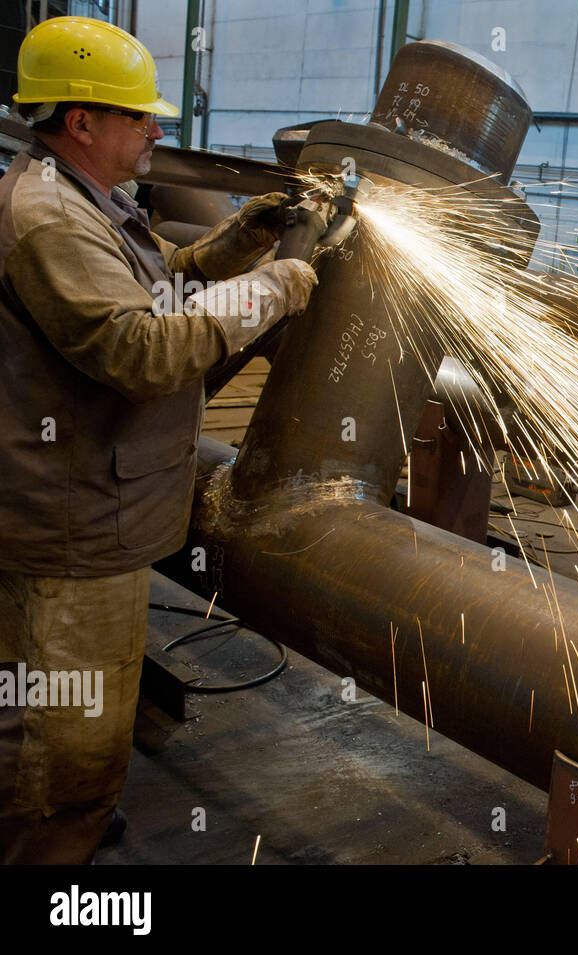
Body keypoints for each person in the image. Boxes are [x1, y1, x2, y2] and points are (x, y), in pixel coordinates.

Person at [0, 16, 318, 863]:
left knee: (85, 729)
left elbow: (157, 287)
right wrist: (275, 290)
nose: (157, 130)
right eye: (141, 116)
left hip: (99, 517)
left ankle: (78, 832)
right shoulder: (50, 222)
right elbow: (141, 347)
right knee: (57, 751)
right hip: (67, 534)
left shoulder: (85, 200)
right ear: (82, 123)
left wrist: (239, 240)